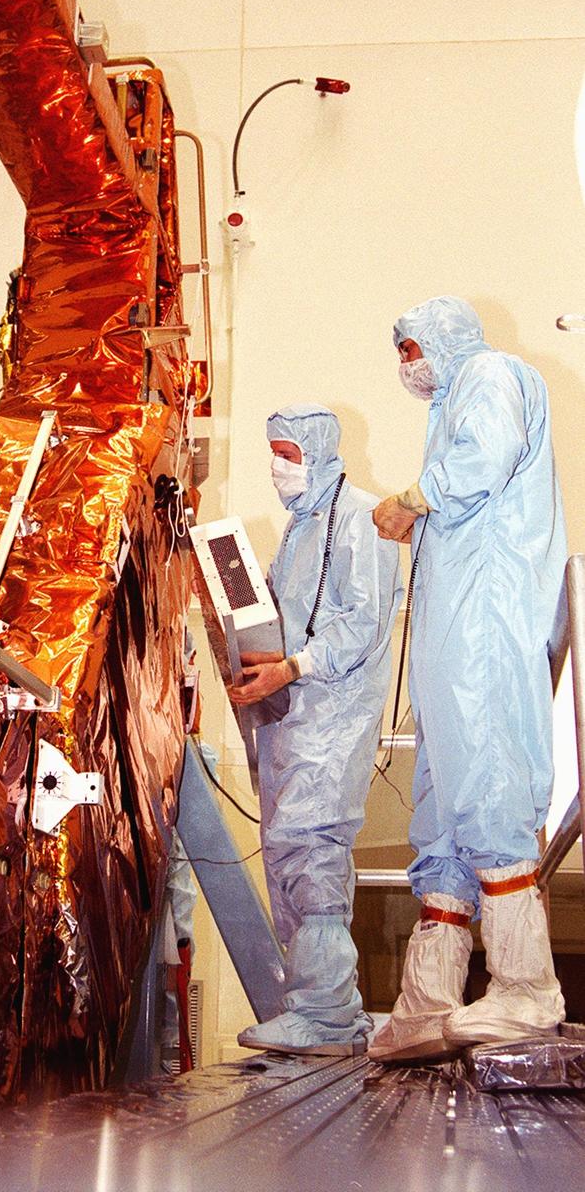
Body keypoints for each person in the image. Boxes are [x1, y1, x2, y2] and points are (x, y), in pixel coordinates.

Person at [370, 295, 567, 1063]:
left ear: (446, 342)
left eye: (413, 347)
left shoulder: (488, 372)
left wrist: (414, 498)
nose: (407, 364)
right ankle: (429, 999)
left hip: (487, 620)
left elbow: (484, 457)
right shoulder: (452, 399)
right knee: (444, 807)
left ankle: (526, 986)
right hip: (455, 629)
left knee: (486, 781)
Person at [229, 404, 402, 1053]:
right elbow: (283, 618)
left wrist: (294, 666)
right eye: (272, 450)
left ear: (321, 452)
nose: (278, 465)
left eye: (290, 453)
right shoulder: (299, 529)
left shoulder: (363, 518)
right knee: (288, 854)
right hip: (293, 721)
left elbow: (360, 624)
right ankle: (316, 1005)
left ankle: (327, 1010)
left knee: (312, 849)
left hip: (332, 720)